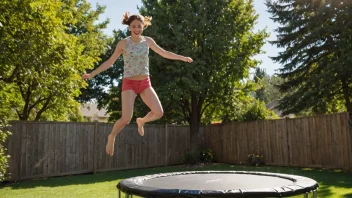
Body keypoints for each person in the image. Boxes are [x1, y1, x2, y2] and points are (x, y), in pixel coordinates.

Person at [82, 12, 193, 156]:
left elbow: (164, 53)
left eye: (139, 26)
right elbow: (110, 62)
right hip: (129, 83)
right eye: (133, 26)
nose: (136, 28)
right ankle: (112, 136)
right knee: (126, 118)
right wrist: (92, 74)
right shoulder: (123, 43)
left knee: (159, 113)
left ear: (143, 27)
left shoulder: (148, 41)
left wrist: (182, 58)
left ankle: (142, 121)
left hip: (145, 82)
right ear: (129, 27)